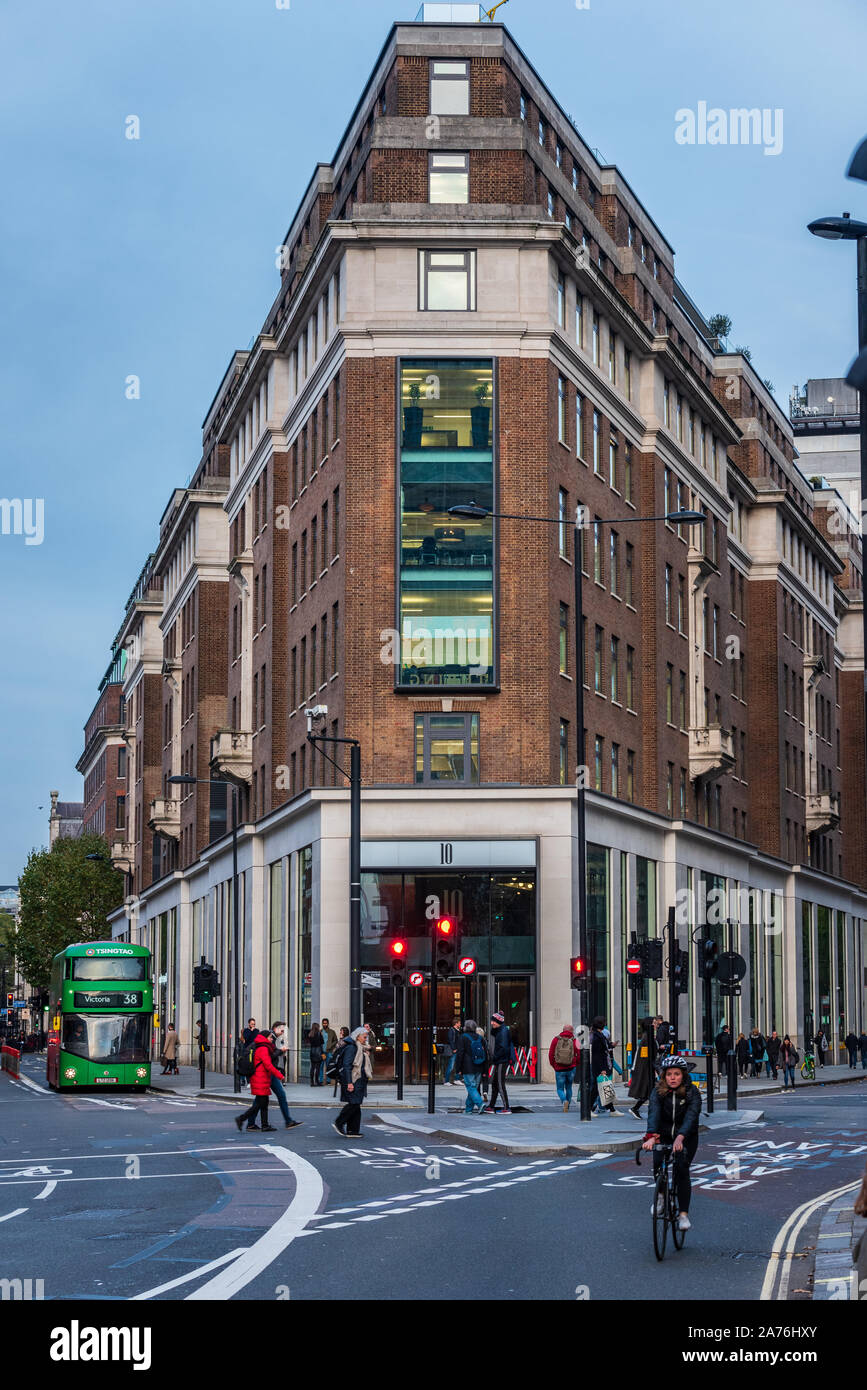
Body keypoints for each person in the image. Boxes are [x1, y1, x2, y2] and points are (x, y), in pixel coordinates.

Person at [642, 1056, 702, 1232]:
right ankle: (661, 1197)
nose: (673, 1078)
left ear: (683, 1075)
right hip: (663, 1134)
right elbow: (653, 1113)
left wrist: (681, 1137)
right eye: (669, 1074)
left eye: (676, 1074)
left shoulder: (692, 1092)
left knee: (682, 1170)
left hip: (687, 1136)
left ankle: (683, 1214)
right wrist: (652, 1136)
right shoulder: (657, 1092)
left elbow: (692, 1116)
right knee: (657, 1164)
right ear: (664, 1076)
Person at [234, 1029, 282, 1132]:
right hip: (260, 1078)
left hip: (261, 1078)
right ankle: (241, 1119)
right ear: (265, 1038)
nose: (271, 1039)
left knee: (263, 1102)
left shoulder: (262, 1046)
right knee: (260, 1103)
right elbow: (268, 1065)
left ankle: (264, 1125)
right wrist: (280, 1075)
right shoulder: (263, 1048)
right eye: (269, 1037)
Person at [334, 1025, 373, 1137]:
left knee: (356, 1104)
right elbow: (347, 1066)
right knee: (354, 1103)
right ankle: (339, 1122)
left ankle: (353, 1130)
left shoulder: (361, 1048)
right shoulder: (352, 1048)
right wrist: (349, 1082)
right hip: (354, 1080)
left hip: (360, 1080)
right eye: (364, 1037)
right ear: (358, 1036)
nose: (365, 1039)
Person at [267, 1022, 302, 1129]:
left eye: (283, 1030)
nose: (282, 1032)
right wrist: (280, 1051)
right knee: (261, 1100)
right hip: (268, 1073)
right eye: (281, 1030)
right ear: (274, 1028)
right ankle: (246, 1120)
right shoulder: (269, 1038)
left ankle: (288, 1121)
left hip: (272, 1072)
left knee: (280, 1095)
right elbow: (269, 1055)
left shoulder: (276, 1038)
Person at [590, 1016, 622, 1116]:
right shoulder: (596, 1036)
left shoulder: (600, 1035)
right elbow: (597, 1055)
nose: (605, 1024)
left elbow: (606, 1046)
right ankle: (588, 1109)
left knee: (604, 1087)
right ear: (601, 1024)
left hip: (602, 1065)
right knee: (597, 1089)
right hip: (599, 1067)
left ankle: (612, 1110)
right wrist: (602, 1069)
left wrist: (612, 1045)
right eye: (604, 1022)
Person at [455, 1018, 487, 1114]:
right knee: (473, 1089)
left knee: (471, 1087)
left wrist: (458, 1068)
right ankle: (468, 1109)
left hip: (467, 1067)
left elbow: (460, 1054)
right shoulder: (480, 1038)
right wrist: (485, 1069)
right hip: (479, 1065)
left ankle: (480, 1103)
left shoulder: (463, 1037)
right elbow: (485, 1053)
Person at [484, 1011, 513, 1115]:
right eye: (492, 1020)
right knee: (495, 1084)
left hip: (501, 1061)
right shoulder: (500, 1030)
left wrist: (495, 1058)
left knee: (500, 1084)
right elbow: (493, 1032)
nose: (492, 1023)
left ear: (499, 1022)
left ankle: (507, 1107)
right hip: (499, 1060)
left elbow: (503, 1048)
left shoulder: (503, 1032)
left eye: (494, 1021)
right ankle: (491, 1106)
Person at [627, 1016, 656, 1120]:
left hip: (648, 1068)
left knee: (649, 1091)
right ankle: (637, 1108)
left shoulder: (649, 1036)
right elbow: (645, 1055)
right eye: (653, 1023)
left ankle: (637, 1108)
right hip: (646, 1068)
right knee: (649, 1090)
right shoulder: (647, 1037)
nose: (655, 1025)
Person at [548, 1023, 580, 1111]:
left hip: (559, 1068)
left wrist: (553, 1065)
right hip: (571, 1068)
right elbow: (579, 1054)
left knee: (560, 1088)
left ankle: (564, 1101)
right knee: (569, 1087)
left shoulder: (556, 1039)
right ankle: (568, 1105)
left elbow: (551, 1054)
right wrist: (575, 1064)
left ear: (563, 1030)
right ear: (571, 1031)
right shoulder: (575, 1040)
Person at [319, 1018, 337, 1086]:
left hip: (329, 1051)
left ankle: (328, 1080)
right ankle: (320, 1080)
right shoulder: (320, 1031)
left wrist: (330, 1046)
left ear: (328, 1023)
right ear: (322, 1024)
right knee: (321, 1066)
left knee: (328, 1066)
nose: (324, 1024)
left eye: (326, 1023)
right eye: (323, 1023)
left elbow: (335, 1040)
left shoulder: (332, 1032)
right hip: (322, 1052)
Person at [444, 1017, 461, 1086]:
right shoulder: (452, 1030)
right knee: (450, 1066)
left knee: (457, 1065)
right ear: (456, 1023)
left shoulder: (457, 1030)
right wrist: (454, 1049)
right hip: (454, 1051)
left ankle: (457, 1079)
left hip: (458, 1050)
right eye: (459, 1023)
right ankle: (446, 1081)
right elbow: (450, 1040)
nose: (460, 1024)